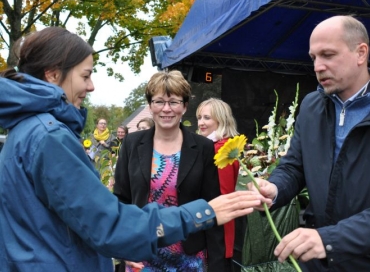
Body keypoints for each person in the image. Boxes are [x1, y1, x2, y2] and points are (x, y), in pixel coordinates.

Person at [0, 27, 271, 272]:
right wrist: (201, 214)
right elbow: (111, 221)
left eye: (174, 102)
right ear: (54, 73)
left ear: (184, 106)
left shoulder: (25, 130)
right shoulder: (49, 137)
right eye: (85, 75)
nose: (91, 86)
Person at [251, 15, 370, 271]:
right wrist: (275, 189)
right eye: (314, 58)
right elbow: (294, 166)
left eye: (327, 55)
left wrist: (329, 239)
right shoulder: (311, 106)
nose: (318, 66)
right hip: (317, 261)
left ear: (361, 53)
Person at [114, 71, 230, 271]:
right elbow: (121, 201)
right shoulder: (132, 144)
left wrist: (218, 264)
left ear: (185, 106)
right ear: (150, 106)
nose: (166, 109)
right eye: (159, 101)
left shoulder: (203, 148)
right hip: (142, 256)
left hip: (189, 259)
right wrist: (122, 249)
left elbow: (212, 207)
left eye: (174, 102)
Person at [197, 98, 240, 270]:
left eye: (207, 118)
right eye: (199, 117)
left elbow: (224, 194)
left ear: (221, 120)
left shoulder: (222, 150)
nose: (201, 122)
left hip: (215, 226)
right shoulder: (209, 146)